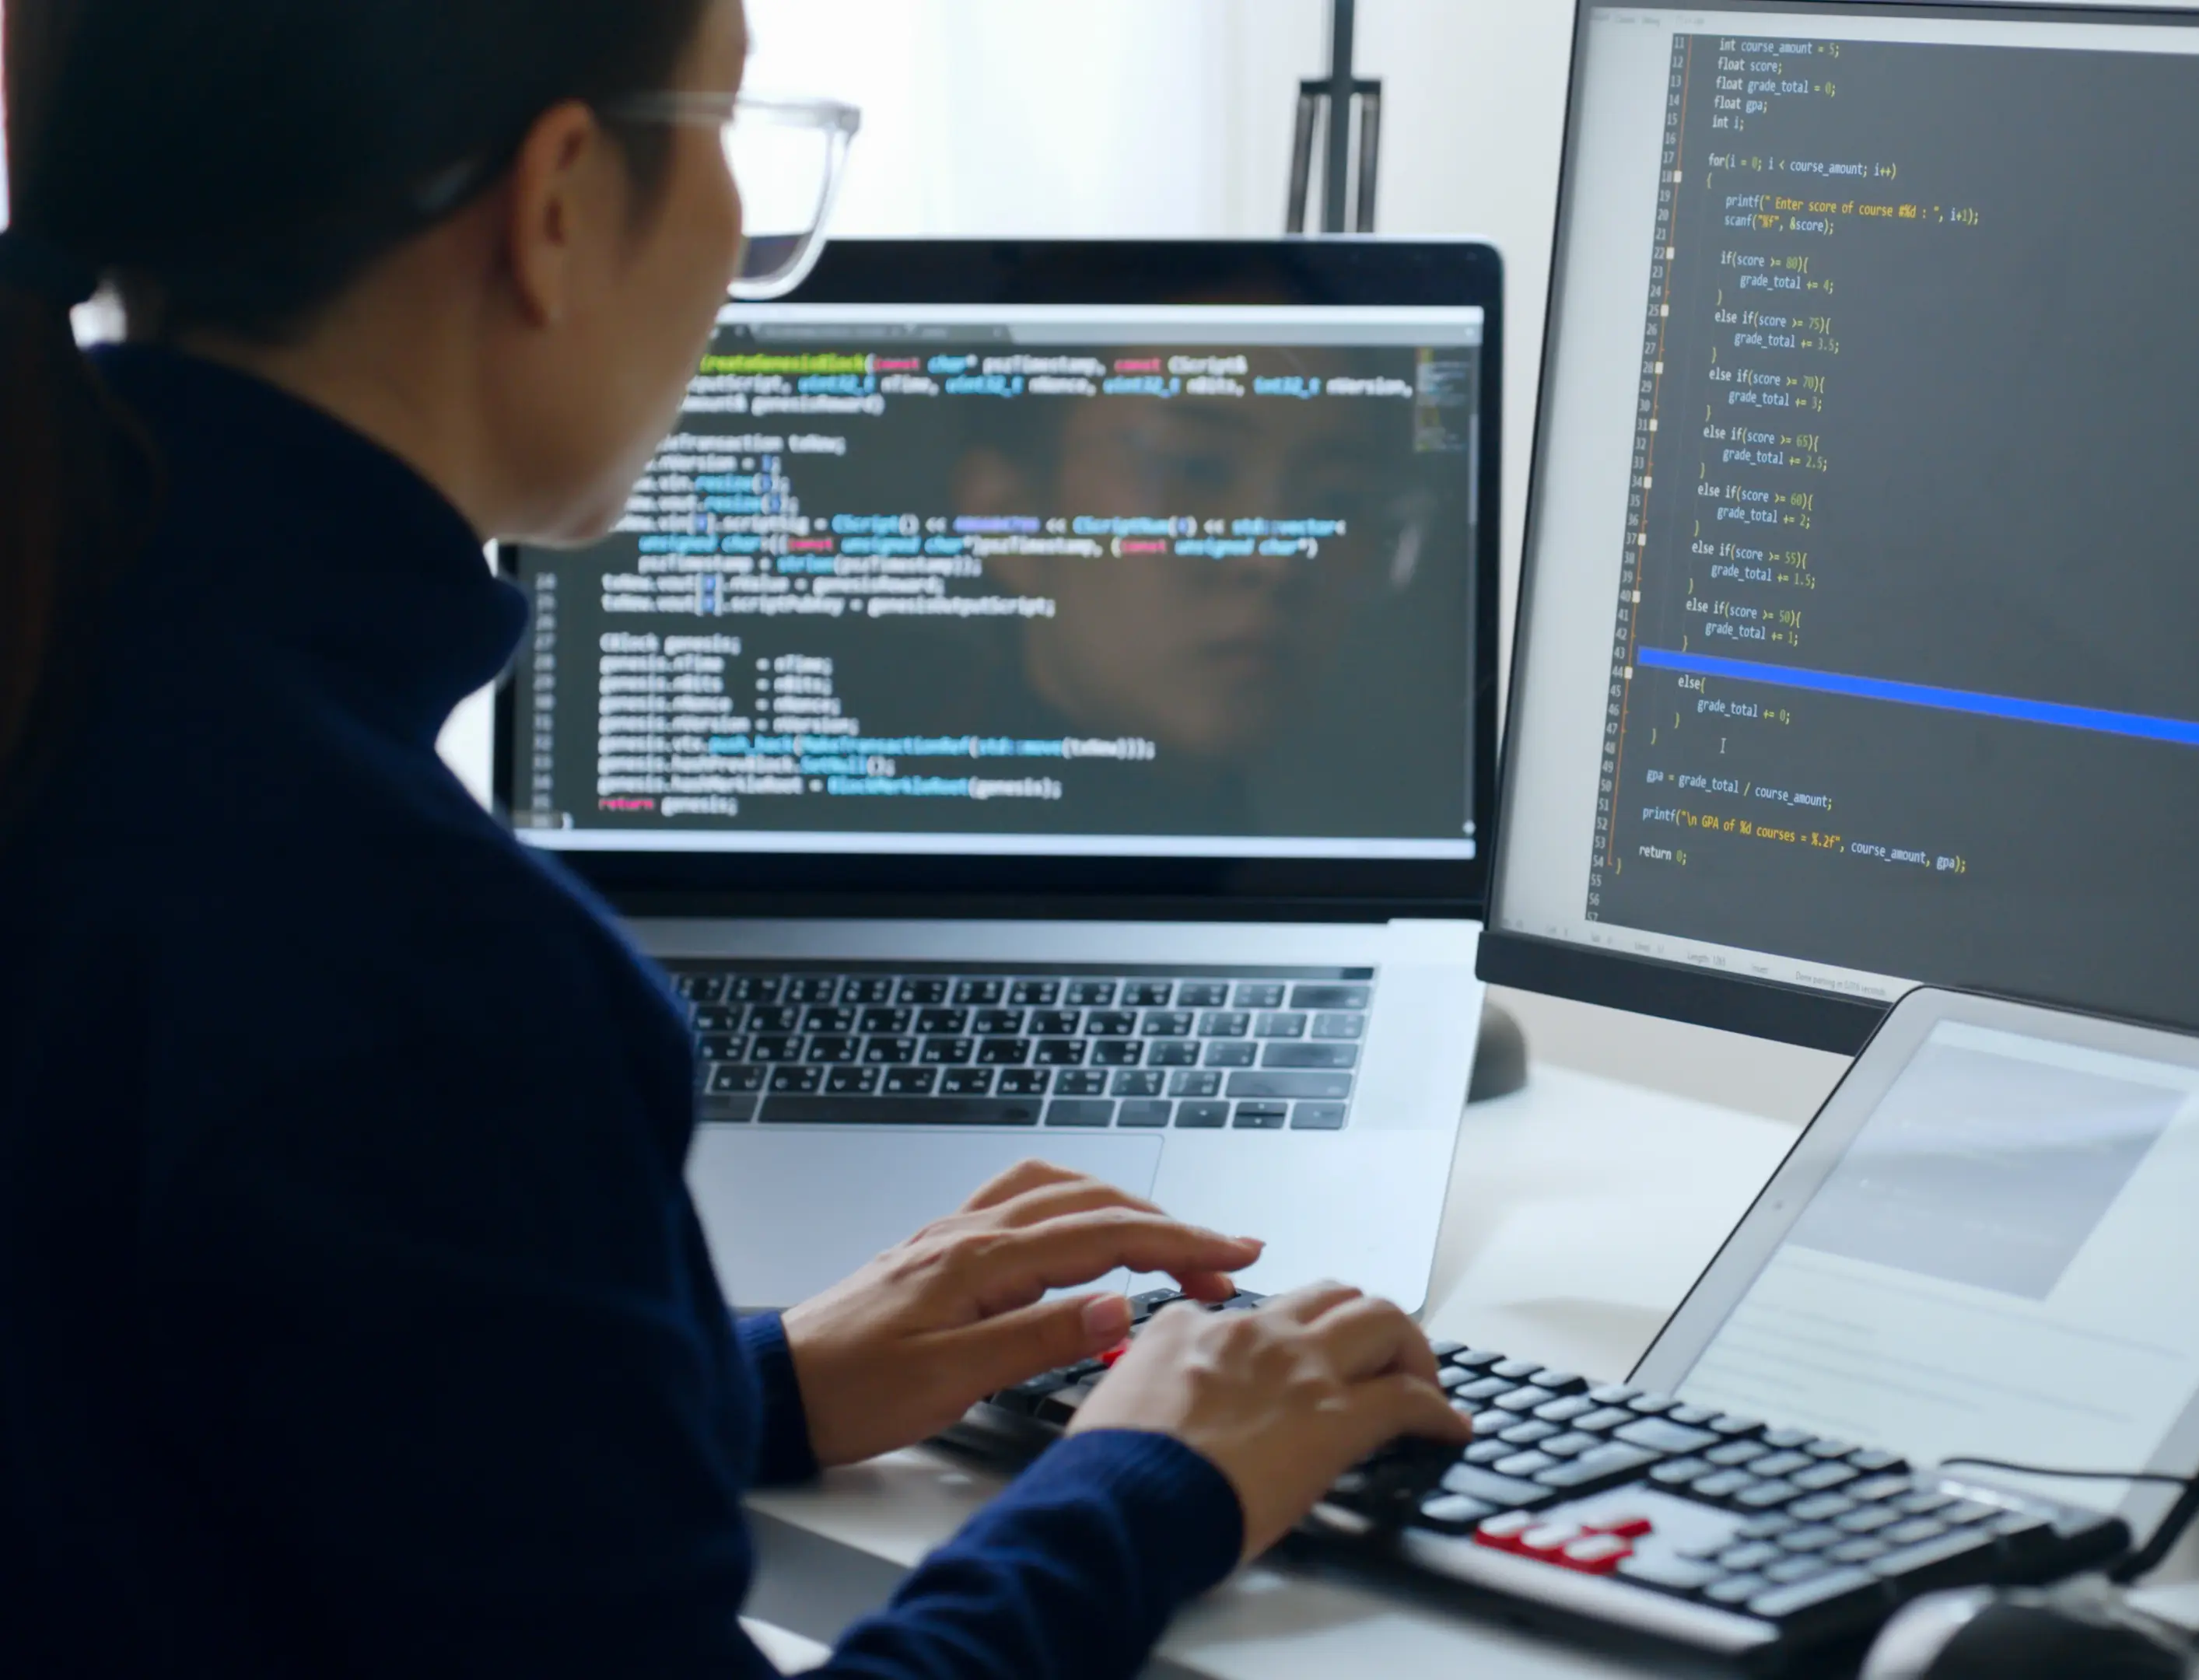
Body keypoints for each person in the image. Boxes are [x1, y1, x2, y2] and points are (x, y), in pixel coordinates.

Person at [0, 2, 1468, 1676]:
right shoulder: (432, 969)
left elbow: (206, 1431)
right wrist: (1158, 1476)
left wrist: (735, 1378)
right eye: (720, 129)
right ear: (557, 205)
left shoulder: (79, 696)